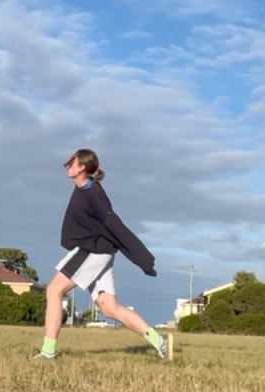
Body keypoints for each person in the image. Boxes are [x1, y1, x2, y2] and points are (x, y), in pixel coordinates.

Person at [33, 149, 166, 361]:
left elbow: (113, 223)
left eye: (72, 162)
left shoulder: (93, 192)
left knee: (54, 291)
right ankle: (159, 341)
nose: (67, 165)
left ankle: (48, 352)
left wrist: (144, 260)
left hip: (93, 250)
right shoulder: (83, 188)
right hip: (98, 251)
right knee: (109, 308)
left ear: (82, 167)